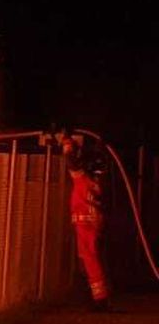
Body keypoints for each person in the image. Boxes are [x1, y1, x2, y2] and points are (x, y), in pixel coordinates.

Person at [61, 133, 111, 311]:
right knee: (90, 259)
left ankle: (100, 299)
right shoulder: (98, 182)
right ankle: (95, 296)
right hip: (92, 223)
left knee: (90, 260)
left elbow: (72, 164)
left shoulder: (83, 180)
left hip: (85, 225)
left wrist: (67, 146)